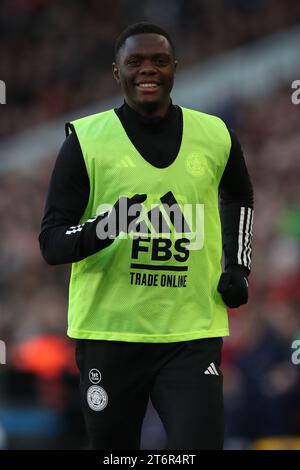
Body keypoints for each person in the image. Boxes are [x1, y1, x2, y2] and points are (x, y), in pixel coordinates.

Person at [39, 22, 254, 450]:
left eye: (159, 60)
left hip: (190, 331)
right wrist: (105, 226)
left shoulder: (215, 135)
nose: (147, 70)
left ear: (175, 67)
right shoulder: (85, 140)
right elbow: (51, 241)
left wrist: (238, 264)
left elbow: (239, 194)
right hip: (109, 334)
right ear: (117, 72)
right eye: (135, 61)